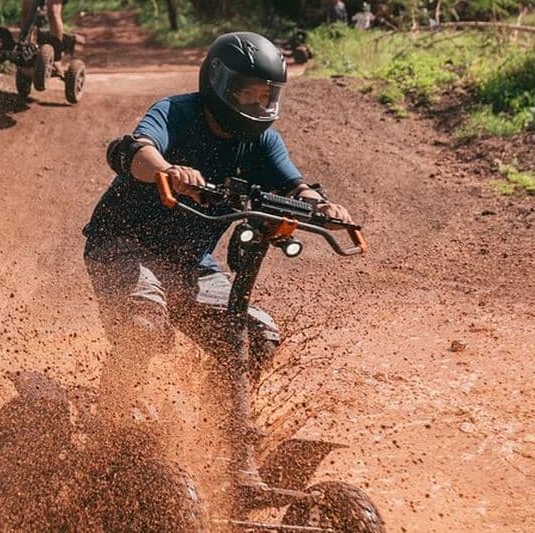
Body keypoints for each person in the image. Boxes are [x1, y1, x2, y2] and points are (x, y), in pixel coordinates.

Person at [82, 32, 354, 488]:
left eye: (264, 94)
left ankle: (219, 433)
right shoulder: (177, 112)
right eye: (247, 91)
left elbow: (294, 185)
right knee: (144, 322)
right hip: (121, 245)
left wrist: (319, 205)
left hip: (192, 266)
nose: (257, 102)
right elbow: (136, 150)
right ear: (219, 84)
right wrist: (167, 171)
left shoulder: (264, 141)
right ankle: (108, 422)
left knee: (255, 335)